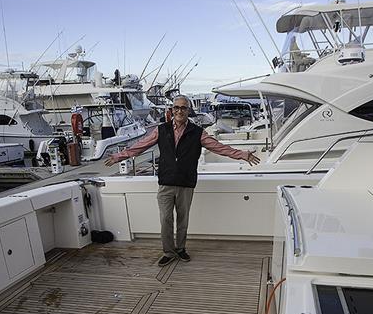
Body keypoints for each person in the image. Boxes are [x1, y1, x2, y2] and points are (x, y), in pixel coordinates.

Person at [106, 95, 260, 266]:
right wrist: (119, 156)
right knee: (165, 219)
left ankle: (180, 249)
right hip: (166, 183)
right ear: (172, 110)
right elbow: (141, 145)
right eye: (176, 108)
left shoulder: (197, 132)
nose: (179, 111)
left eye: (183, 108)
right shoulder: (161, 129)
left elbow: (219, 148)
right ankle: (168, 252)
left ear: (188, 110)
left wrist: (243, 155)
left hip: (186, 183)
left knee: (182, 220)